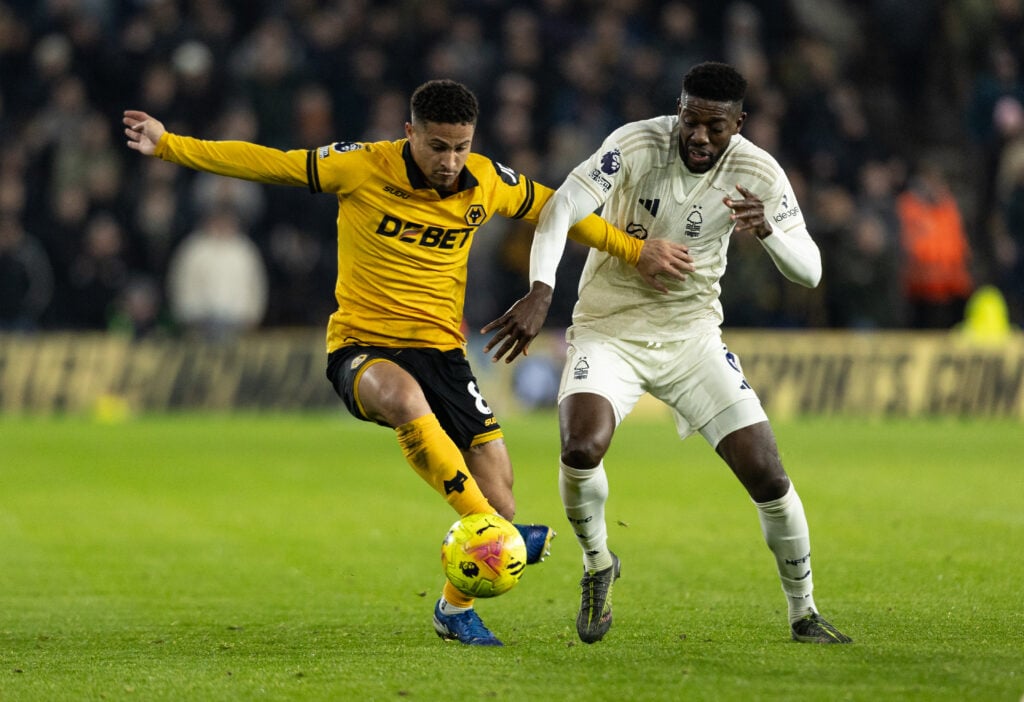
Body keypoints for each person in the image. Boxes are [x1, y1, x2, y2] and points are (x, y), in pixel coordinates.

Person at [123, 79, 692, 646]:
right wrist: (170, 144)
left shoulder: (488, 181)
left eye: (460, 146)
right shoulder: (361, 166)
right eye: (437, 146)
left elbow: (559, 208)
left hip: (442, 352)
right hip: (361, 346)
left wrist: (637, 250)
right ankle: (500, 532)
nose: (450, 161)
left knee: (499, 486)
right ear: (409, 134)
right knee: (402, 401)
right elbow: (269, 163)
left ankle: (455, 605)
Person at [486, 61, 851, 645]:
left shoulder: (758, 170)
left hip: (692, 339)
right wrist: (540, 292)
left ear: (739, 123)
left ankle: (803, 612)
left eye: (715, 126)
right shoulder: (634, 145)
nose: (699, 136)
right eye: (690, 120)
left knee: (767, 473)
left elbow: (810, 271)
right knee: (581, 446)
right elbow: (561, 209)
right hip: (609, 327)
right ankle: (598, 563)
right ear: (678, 110)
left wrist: (769, 232)